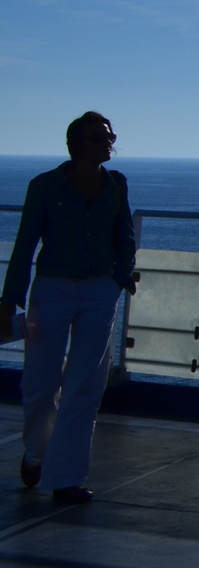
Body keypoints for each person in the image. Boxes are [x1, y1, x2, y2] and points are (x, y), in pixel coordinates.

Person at [1, 112, 138, 503]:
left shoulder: (116, 184)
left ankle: (66, 478)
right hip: (52, 291)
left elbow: (124, 236)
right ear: (78, 144)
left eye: (111, 135)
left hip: (100, 291)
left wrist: (120, 278)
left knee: (84, 386)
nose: (109, 142)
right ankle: (37, 454)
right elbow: (26, 243)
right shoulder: (44, 186)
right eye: (100, 137)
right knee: (40, 383)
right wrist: (8, 299)